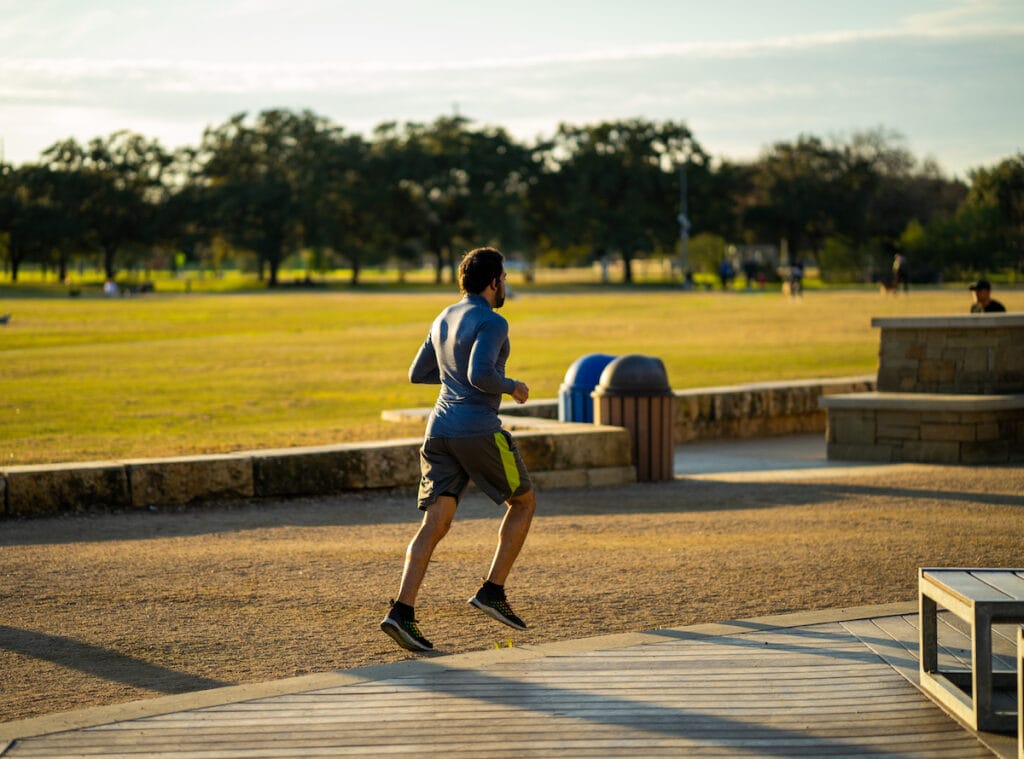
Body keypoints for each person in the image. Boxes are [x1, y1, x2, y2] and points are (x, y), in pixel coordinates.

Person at [380, 247, 537, 652]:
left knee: (435, 524)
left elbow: (419, 373)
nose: (506, 285)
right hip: (478, 429)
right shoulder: (493, 321)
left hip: (438, 431)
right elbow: (481, 373)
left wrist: (455, 380)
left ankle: (402, 611)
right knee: (523, 502)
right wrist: (512, 385)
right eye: (504, 277)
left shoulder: (443, 316)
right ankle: (492, 590)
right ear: (493, 281)